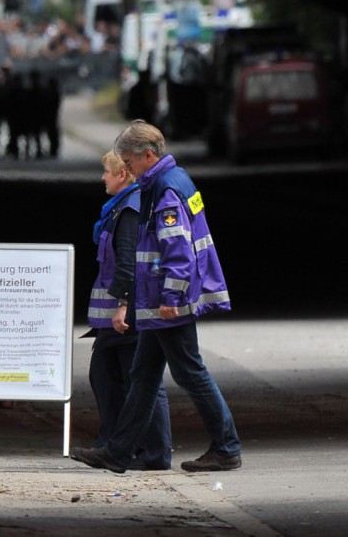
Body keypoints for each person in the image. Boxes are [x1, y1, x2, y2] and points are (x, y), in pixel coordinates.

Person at [73, 121, 240, 473]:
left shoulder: (165, 191)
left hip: (167, 303)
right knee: (143, 376)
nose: (127, 170)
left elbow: (178, 251)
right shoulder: (169, 181)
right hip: (155, 302)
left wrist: (171, 298)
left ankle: (226, 447)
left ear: (148, 156)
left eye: (129, 162)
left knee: (190, 372)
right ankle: (118, 452)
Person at [82, 150, 172, 470]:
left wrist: (122, 306)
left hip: (127, 313)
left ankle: (151, 452)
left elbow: (129, 262)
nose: (102, 177)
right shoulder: (121, 207)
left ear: (123, 175)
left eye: (106, 171)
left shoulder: (130, 210)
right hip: (119, 314)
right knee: (107, 375)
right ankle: (114, 445)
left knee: (139, 381)